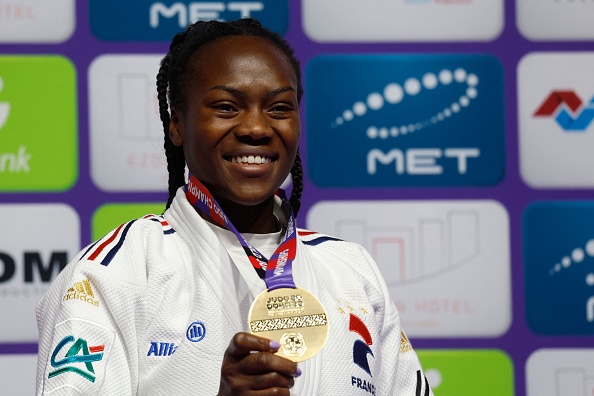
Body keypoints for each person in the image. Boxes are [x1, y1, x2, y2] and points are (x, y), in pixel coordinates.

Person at [36, 18, 434, 395]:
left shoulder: (350, 268)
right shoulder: (115, 273)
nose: (257, 128)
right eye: (226, 107)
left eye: (279, 107)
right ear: (177, 123)